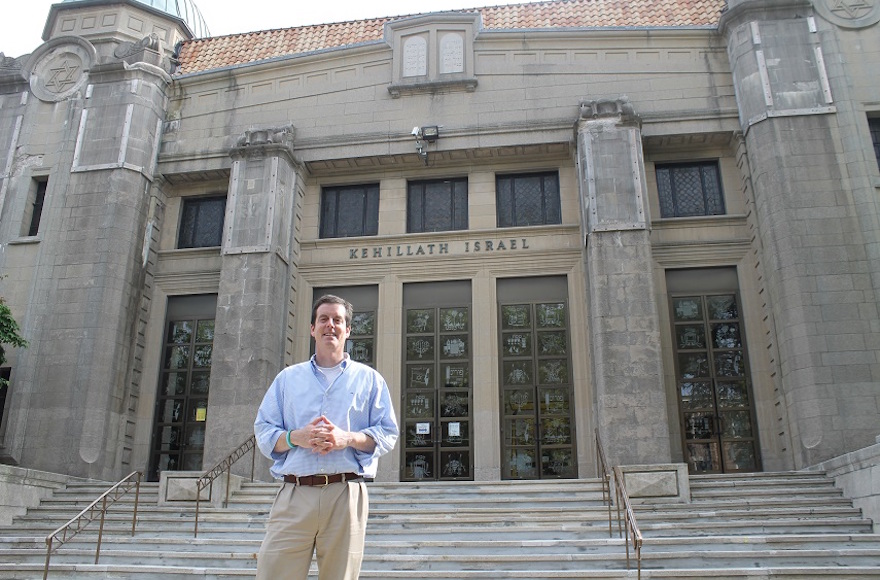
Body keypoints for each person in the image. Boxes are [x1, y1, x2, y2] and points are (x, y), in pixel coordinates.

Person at [254, 294, 399, 580]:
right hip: (294, 494)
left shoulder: (370, 380)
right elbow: (264, 431)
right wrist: (298, 437)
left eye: (337, 320)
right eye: (323, 319)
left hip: (345, 495)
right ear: (312, 329)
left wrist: (348, 438)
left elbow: (387, 433)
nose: (330, 325)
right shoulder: (287, 379)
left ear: (348, 330)